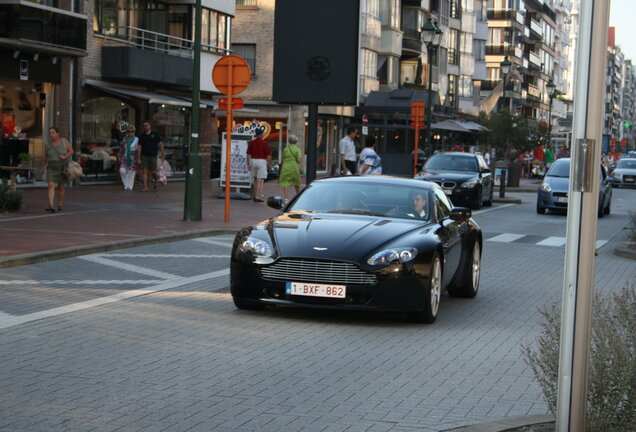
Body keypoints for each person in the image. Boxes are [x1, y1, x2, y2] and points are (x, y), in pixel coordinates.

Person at [40, 126, 74, 213]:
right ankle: (51, 205)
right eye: (50, 133)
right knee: (51, 185)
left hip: (62, 167)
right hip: (51, 167)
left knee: (61, 187)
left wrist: (65, 156)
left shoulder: (64, 141)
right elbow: (45, 156)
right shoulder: (48, 144)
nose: (51, 135)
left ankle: (59, 205)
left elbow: (71, 151)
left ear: (58, 133)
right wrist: (43, 167)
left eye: (53, 133)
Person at [137, 120, 164, 192]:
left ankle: (157, 180)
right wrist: (139, 158)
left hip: (153, 156)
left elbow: (160, 144)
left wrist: (162, 154)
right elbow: (139, 147)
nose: (145, 127)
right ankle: (145, 187)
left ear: (150, 126)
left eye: (146, 126)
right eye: (144, 126)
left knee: (153, 172)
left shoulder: (155, 134)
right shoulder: (142, 136)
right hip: (144, 156)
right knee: (144, 171)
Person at [246, 127, 271, 202]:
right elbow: (268, 155)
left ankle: (255, 195)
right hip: (262, 161)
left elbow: (248, 154)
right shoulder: (265, 143)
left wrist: (248, 164)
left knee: (255, 179)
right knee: (260, 179)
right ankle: (257, 196)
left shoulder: (251, 143)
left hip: (253, 161)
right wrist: (269, 164)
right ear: (261, 135)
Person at [278, 134, 302, 203]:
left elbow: (283, 159)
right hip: (294, 167)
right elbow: (299, 160)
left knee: (286, 183)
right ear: (296, 141)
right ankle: (298, 197)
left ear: (289, 141)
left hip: (286, 167)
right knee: (296, 182)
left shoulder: (285, 149)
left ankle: (286, 198)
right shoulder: (297, 149)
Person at [119, 125, 139, 191]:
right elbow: (122, 147)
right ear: (127, 132)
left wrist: (138, 157)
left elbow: (138, 149)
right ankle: (125, 184)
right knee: (122, 170)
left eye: (132, 131)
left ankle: (130, 186)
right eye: (129, 131)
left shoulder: (136, 139)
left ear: (134, 132)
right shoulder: (125, 138)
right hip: (125, 157)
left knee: (131, 172)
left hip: (133, 157)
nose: (131, 133)